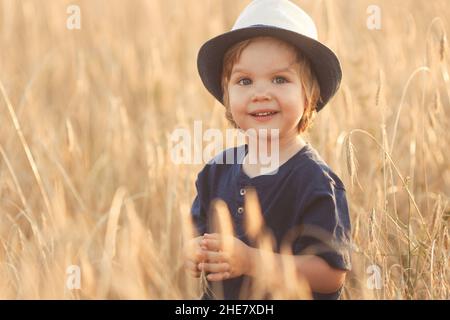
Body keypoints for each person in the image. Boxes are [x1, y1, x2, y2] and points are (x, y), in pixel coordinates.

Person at [183, 0, 352, 300]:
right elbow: (197, 235)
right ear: (227, 94)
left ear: (309, 94)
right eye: (245, 81)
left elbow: (331, 275)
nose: (261, 93)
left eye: (279, 79)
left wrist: (251, 261)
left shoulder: (315, 180)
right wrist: (193, 251)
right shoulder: (216, 171)